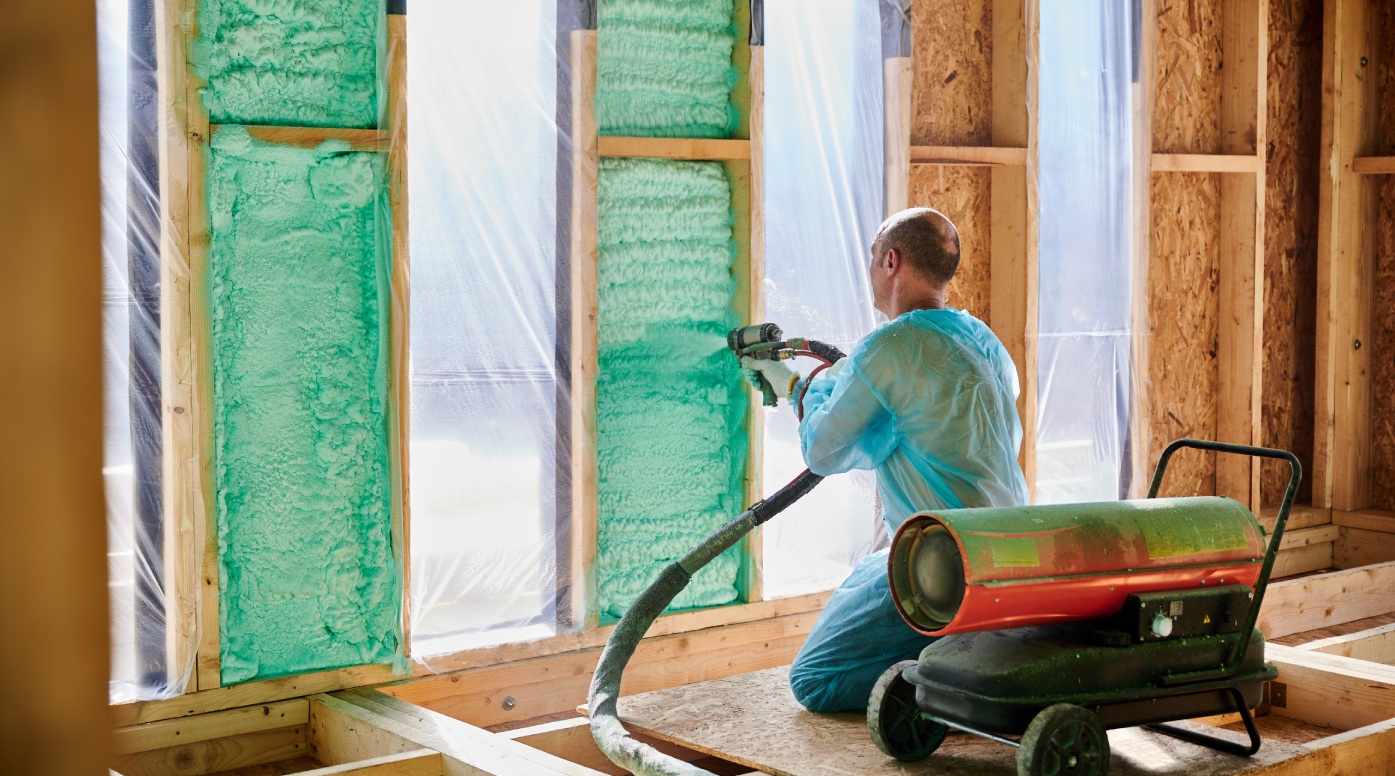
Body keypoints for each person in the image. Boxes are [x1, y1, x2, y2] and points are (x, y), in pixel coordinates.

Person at [742, 207, 1029, 713]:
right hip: (1010, 554)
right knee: (871, 566)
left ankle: (955, 685)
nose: (872, 270)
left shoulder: (890, 348)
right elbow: (921, 411)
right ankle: (975, 656)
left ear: (891, 261)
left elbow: (823, 450)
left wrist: (796, 389)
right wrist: (809, 386)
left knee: (813, 679)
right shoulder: (981, 338)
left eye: (874, 259)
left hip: (943, 564)